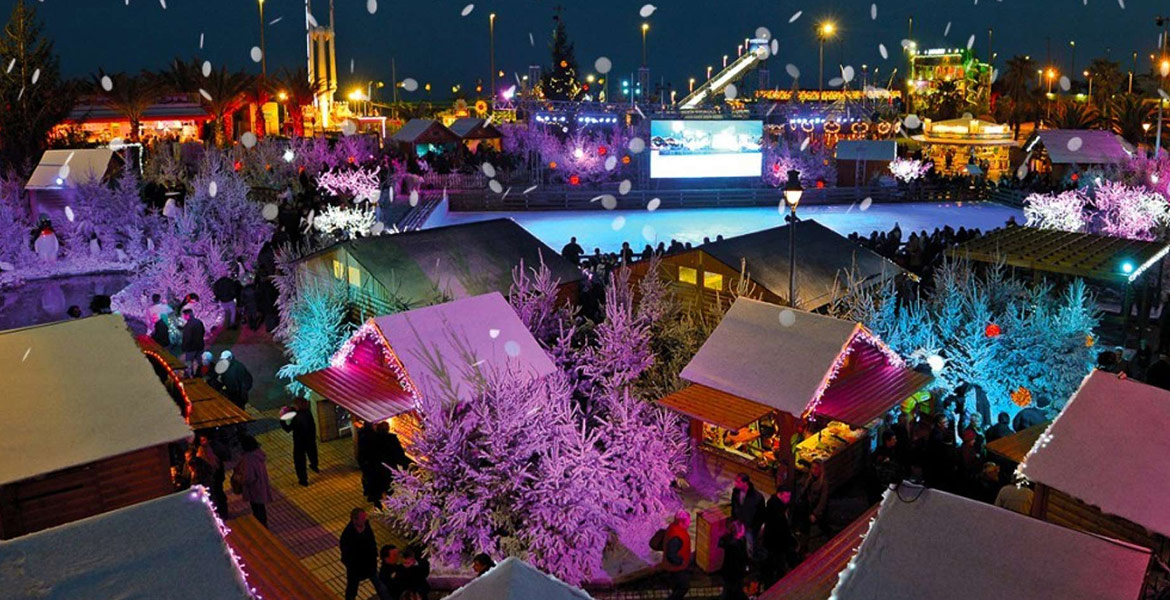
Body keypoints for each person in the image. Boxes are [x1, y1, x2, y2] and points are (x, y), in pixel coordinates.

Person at [340, 508, 389, 600]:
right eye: (362, 518)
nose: (365, 519)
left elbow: (372, 541)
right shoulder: (348, 534)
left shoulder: (366, 526)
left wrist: (374, 554)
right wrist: (350, 565)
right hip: (356, 568)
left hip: (369, 564)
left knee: (379, 585)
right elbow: (346, 553)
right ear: (354, 519)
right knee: (352, 589)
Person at [232, 434, 272, 527]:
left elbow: (248, 477)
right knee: (261, 508)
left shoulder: (248, 459)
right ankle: (263, 525)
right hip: (261, 485)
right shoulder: (258, 454)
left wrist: (237, 478)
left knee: (257, 509)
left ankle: (262, 528)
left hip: (254, 489)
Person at [760, 489, 796, 587]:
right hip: (776, 544)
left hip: (772, 542)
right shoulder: (777, 511)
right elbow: (781, 529)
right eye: (786, 496)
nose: (788, 499)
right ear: (779, 495)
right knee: (776, 564)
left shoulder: (775, 505)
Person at [281, 398, 319, 486]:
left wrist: (282, 420)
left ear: (297, 406)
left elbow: (288, 429)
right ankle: (314, 466)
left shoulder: (297, 418)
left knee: (300, 461)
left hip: (299, 442)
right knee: (312, 452)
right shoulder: (308, 413)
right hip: (310, 439)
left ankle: (303, 480)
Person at [730, 473, 764, 556]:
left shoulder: (757, 497)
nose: (735, 483)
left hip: (750, 527)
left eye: (738, 482)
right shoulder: (736, 492)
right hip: (739, 522)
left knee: (750, 546)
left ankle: (750, 561)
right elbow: (734, 505)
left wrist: (753, 527)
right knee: (739, 544)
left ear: (745, 483)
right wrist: (735, 518)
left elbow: (761, 515)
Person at [661, 510, 691, 600]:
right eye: (688, 522)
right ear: (681, 522)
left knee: (677, 588)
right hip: (676, 568)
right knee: (683, 588)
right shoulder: (676, 536)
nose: (689, 524)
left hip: (676, 567)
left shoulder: (674, 528)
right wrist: (680, 561)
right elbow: (671, 554)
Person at [718, 520, 749, 600]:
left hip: (727, 572)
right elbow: (741, 559)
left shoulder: (726, 540)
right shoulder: (737, 545)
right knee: (734, 591)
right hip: (735, 574)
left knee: (728, 590)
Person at [180, 309, 205, 373]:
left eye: (184, 316)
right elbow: (203, 332)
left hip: (191, 348)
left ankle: (189, 374)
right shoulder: (199, 322)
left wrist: (183, 347)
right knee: (199, 362)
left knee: (188, 363)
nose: (184, 317)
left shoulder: (188, 325)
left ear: (187, 315)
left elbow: (187, 338)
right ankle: (200, 373)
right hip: (200, 346)